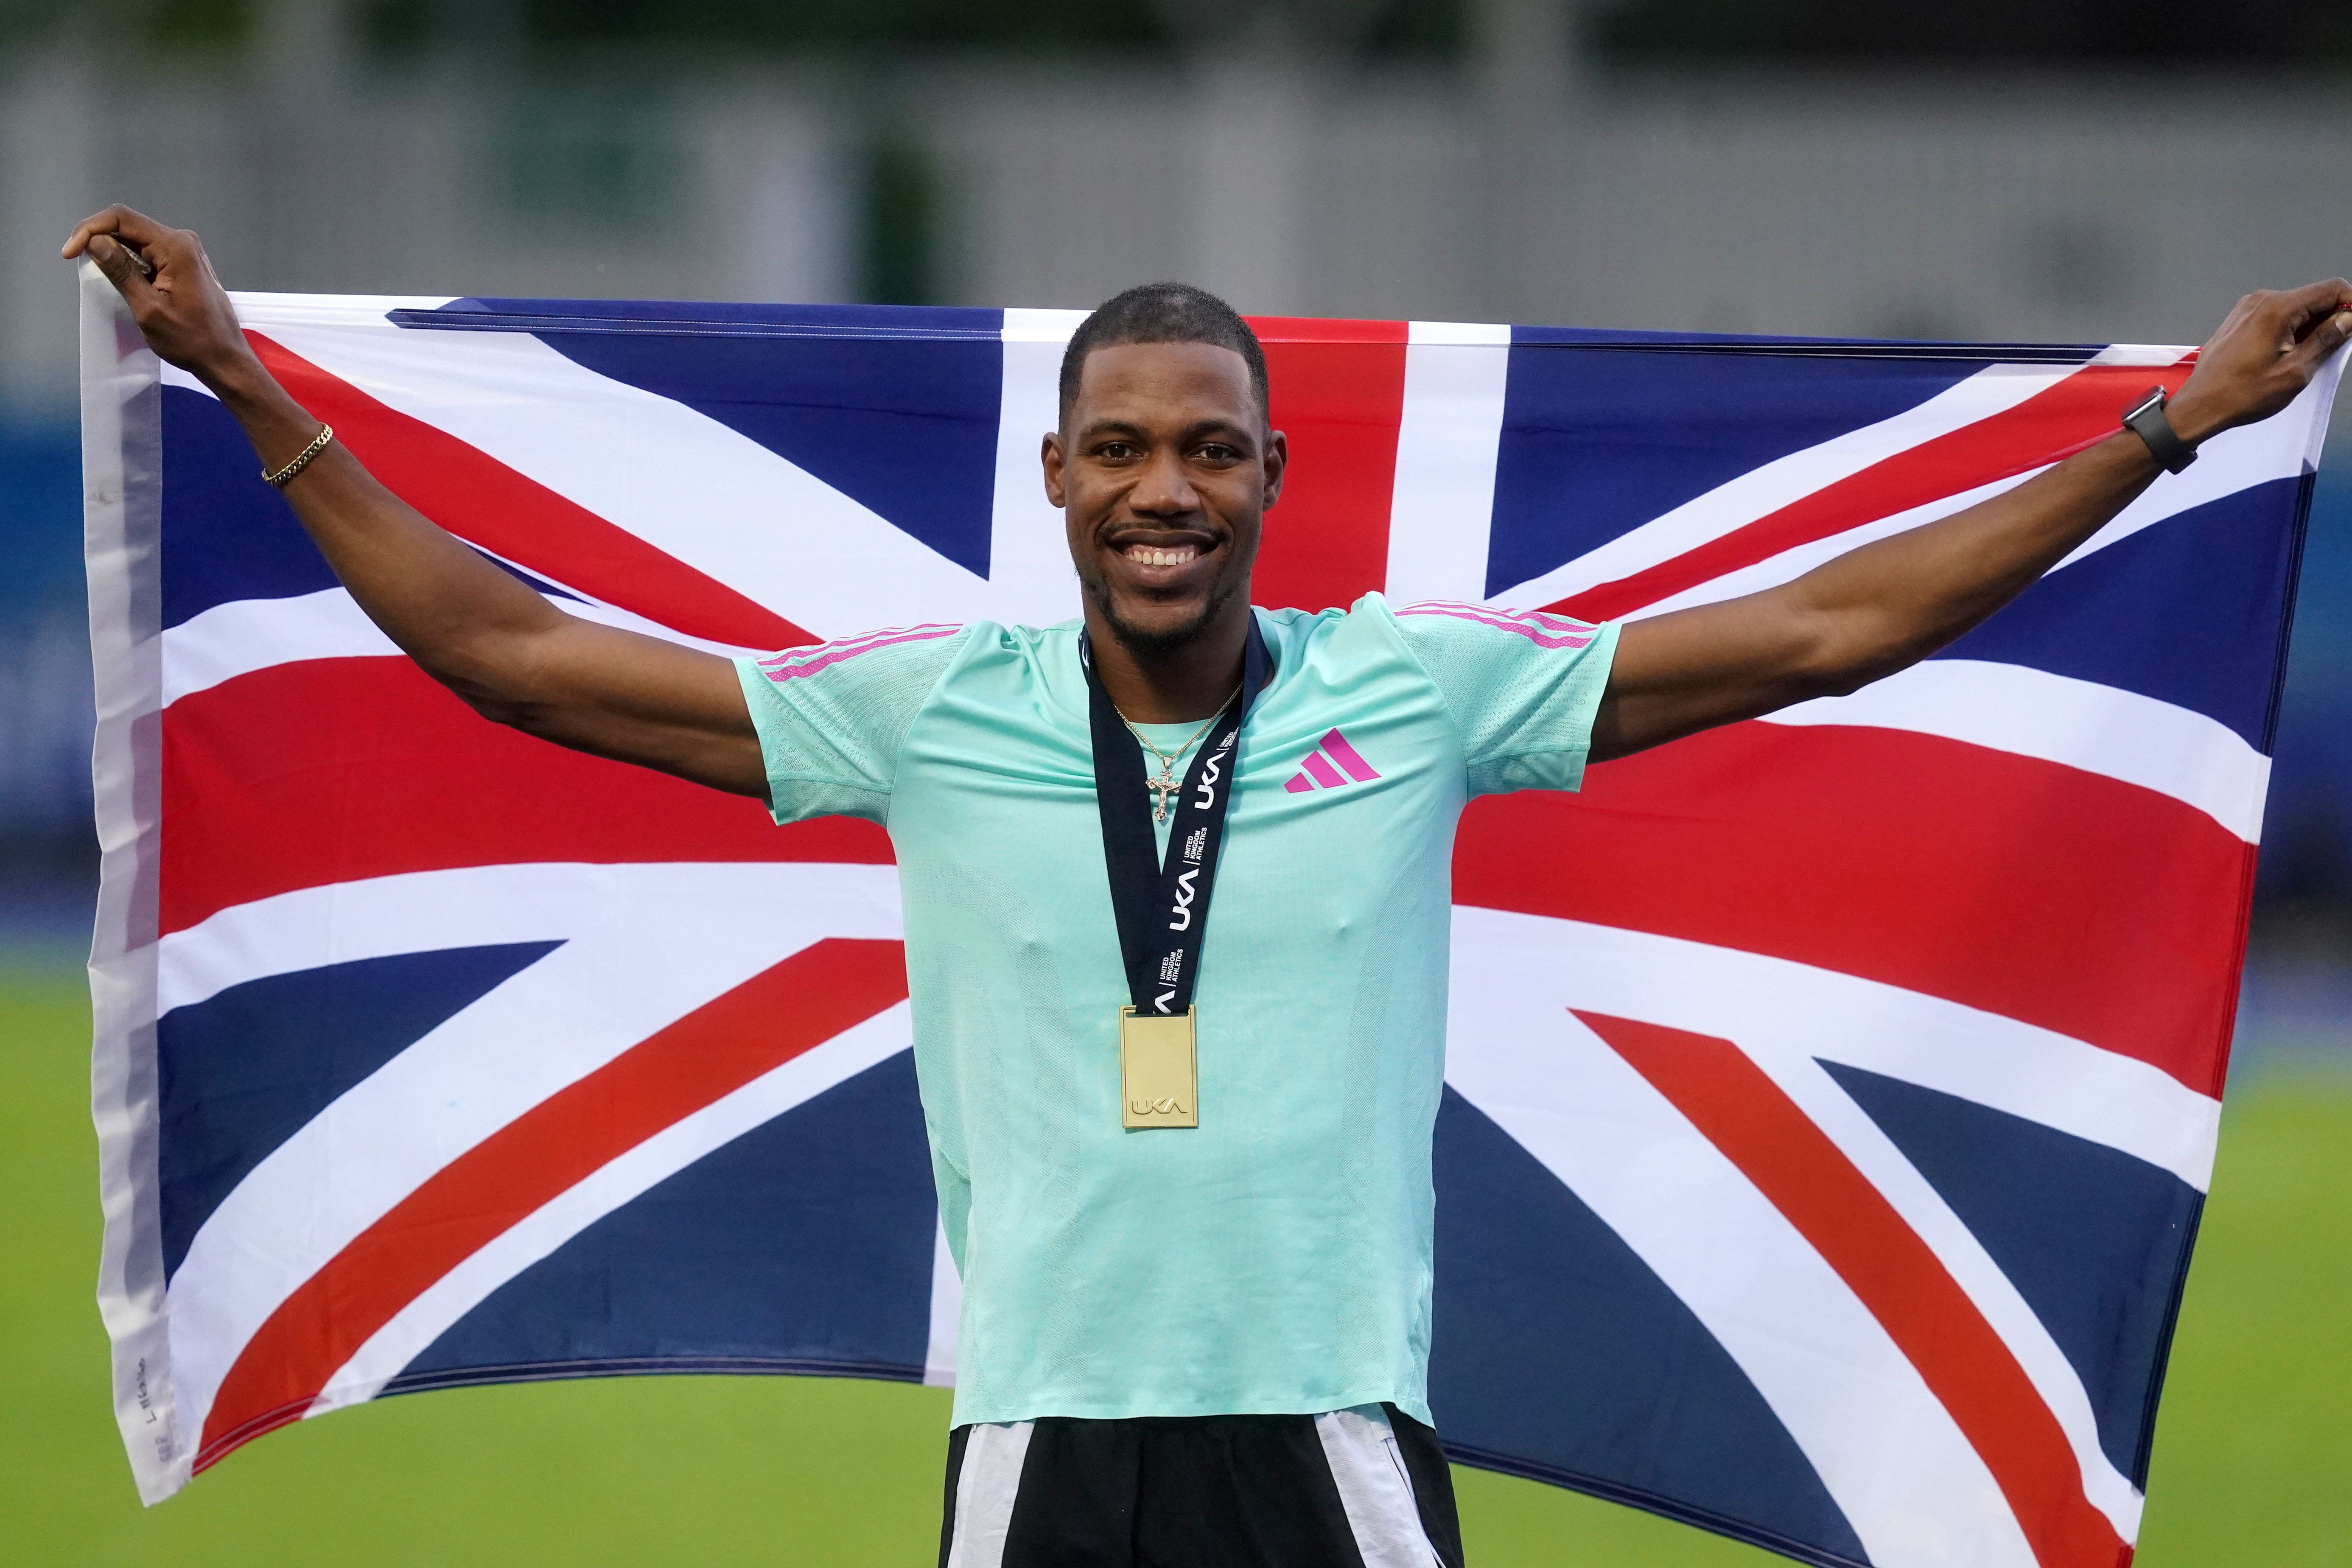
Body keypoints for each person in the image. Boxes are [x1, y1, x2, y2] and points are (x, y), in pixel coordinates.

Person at [65, 204, 2349, 1568]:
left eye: (1211, 449)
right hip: (1041, 1431)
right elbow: (521, 654)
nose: (1168, 486)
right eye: (1125, 449)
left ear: (1272, 475)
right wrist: (254, 388)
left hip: (1330, 1424)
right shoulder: (926, 705)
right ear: (1057, 477)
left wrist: (2160, 431)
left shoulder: (1424, 690)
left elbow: (1829, 628)